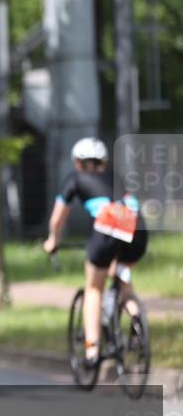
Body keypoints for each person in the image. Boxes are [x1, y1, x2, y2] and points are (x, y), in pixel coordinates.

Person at [43, 137, 147, 367]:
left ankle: (92, 350)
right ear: (103, 162)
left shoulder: (75, 178)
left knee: (93, 288)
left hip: (109, 229)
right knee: (121, 277)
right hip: (137, 229)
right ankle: (138, 323)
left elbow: (57, 219)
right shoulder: (116, 177)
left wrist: (53, 240)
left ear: (77, 163)